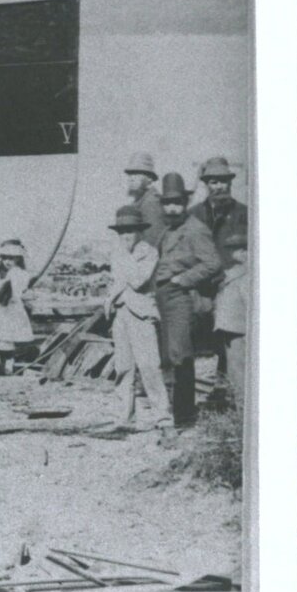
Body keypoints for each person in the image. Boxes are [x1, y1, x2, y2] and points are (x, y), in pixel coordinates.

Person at [152, 172, 221, 430]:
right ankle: (177, 412)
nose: (172, 208)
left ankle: (185, 418)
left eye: (177, 203)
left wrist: (184, 279)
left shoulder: (195, 229)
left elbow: (213, 264)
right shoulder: (168, 231)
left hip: (181, 297)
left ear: (184, 203)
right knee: (169, 355)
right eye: (168, 203)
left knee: (180, 355)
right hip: (165, 297)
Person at [105, 203, 169, 429]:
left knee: (149, 366)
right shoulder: (118, 253)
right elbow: (115, 283)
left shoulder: (148, 252)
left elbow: (138, 281)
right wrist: (109, 302)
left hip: (141, 314)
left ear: (140, 232)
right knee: (123, 368)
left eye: (130, 231)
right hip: (121, 313)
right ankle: (123, 417)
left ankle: (162, 416)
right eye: (122, 232)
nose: (126, 236)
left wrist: (123, 258)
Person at [0, 238, 37, 374]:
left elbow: (19, 290)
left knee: (9, 336)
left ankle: (8, 363)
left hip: (11, 308)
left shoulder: (18, 273)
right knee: (0, 335)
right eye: (5, 258)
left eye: (11, 258)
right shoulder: (1, 274)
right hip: (0, 307)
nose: (7, 261)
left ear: (18, 259)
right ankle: (0, 362)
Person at [211, 219, 249, 407]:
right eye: (233, 249)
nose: (236, 253)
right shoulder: (233, 271)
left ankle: (242, 406)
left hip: (239, 327)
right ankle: (238, 404)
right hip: (230, 326)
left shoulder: (247, 273)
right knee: (234, 368)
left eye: (241, 249)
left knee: (238, 368)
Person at [190, 156, 247, 259]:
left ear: (230, 183)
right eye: (214, 182)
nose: (219, 187)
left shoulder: (245, 212)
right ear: (206, 185)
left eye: (224, 181)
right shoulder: (194, 214)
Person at [120, 151, 166, 245]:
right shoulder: (140, 201)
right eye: (130, 174)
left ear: (149, 179)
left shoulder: (152, 203)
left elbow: (152, 243)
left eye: (137, 174)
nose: (132, 178)